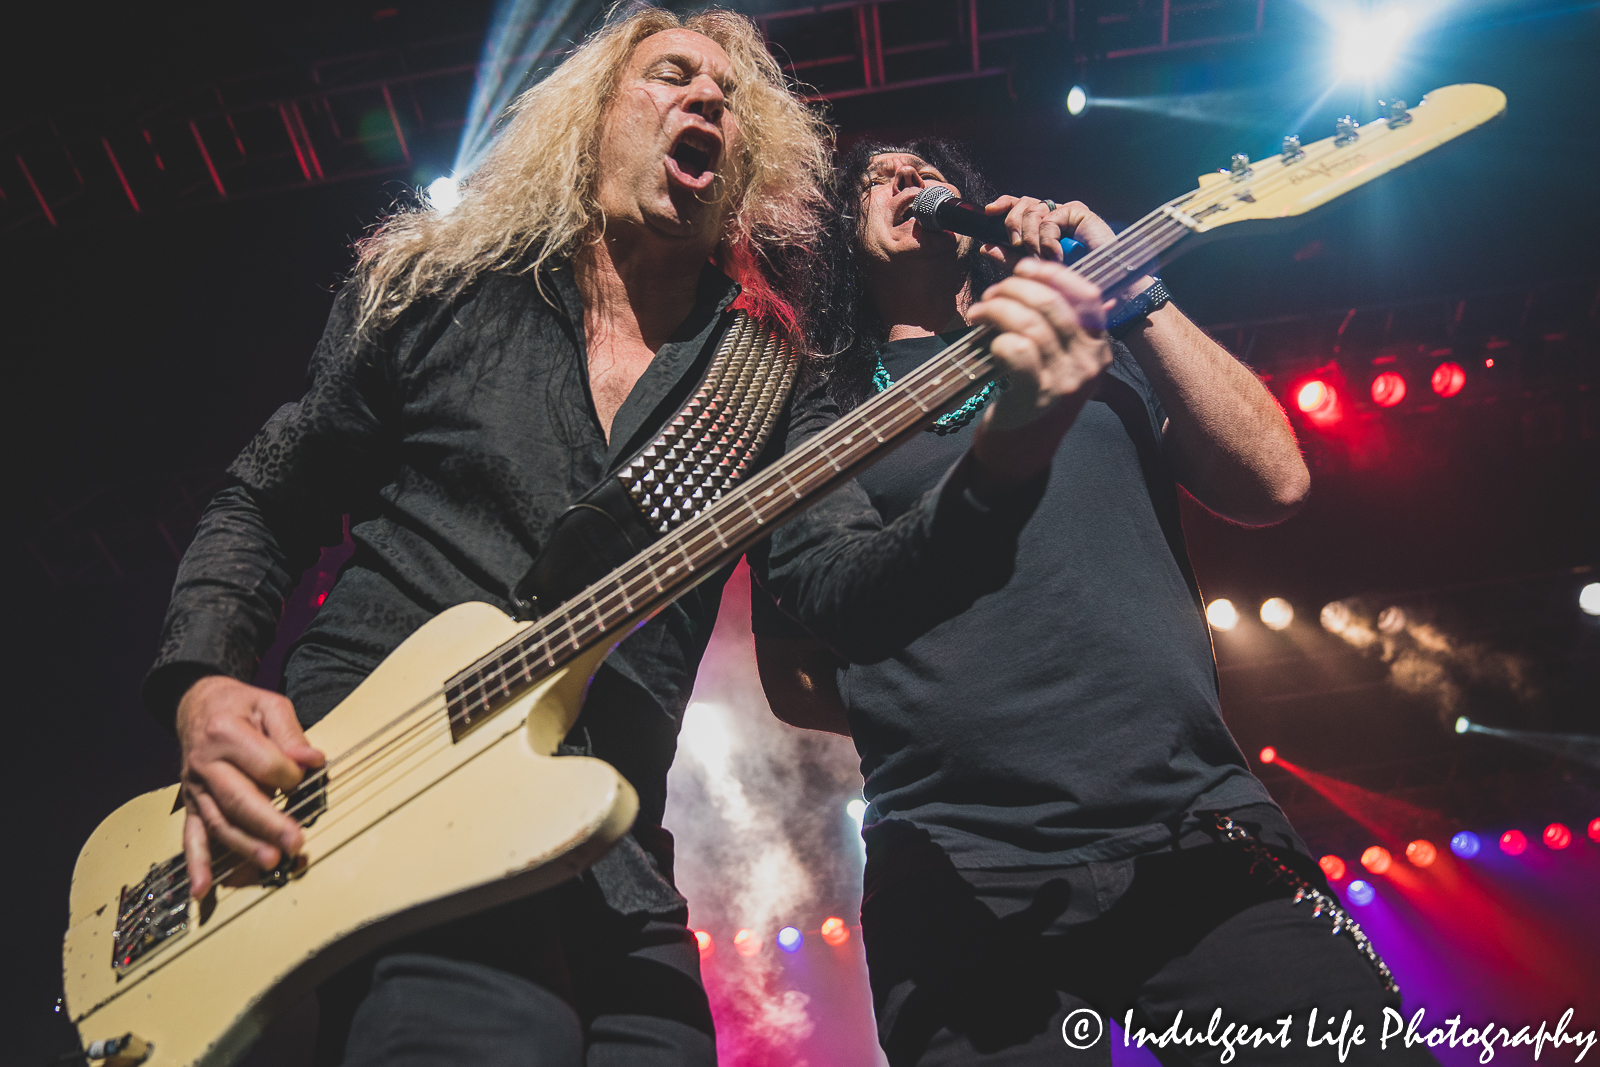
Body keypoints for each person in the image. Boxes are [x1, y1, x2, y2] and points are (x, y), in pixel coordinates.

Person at [141, 9, 835, 1064]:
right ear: (590, 119)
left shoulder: (761, 373)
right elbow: (267, 497)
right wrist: (203, 682)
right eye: (671, 76)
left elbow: (841, 583)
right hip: (395, 795)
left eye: (732, 97)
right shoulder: (438, 290)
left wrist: (1005, 456)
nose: (708, 99)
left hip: (608, 851)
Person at [749, 139, 1437, 1065]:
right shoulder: (815, 413)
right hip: (956, 867)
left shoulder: (1094, 342)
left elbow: (1273, 482)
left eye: (922, 170)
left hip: (1194, 820)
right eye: (876, 180)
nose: (905, 182)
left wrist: (1128, 288)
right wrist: (951, 695)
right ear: (842, 239)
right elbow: (794, 671)